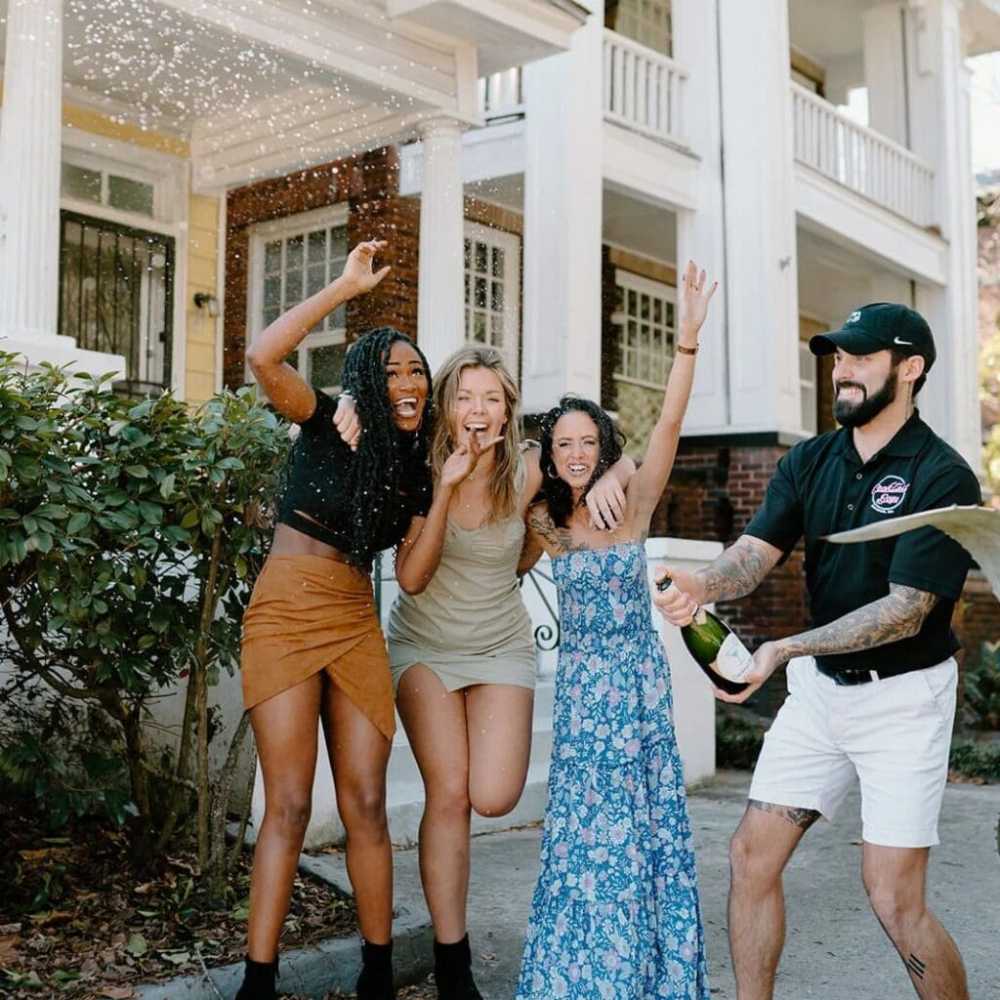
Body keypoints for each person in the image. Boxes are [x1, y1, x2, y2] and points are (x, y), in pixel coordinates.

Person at [654, 302, 982, 1000]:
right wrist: (702, 582)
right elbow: (753, 556)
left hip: (905, 699)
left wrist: (782, 649)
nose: (843, 369)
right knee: (750, 857)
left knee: (894, 898)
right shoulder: (810, 460)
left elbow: (906, 611)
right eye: (839, 356)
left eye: (862, 357)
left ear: (911, 368)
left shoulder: (943, 476)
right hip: (820, 695)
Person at [334, 345, 634, 999]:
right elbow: (411, 582)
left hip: (501, 643)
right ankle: (452, 961)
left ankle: (451, 950)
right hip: (427, 648)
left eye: (492, 398)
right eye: (465, 396)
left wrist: (617, 470)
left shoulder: (527, 469)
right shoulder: (421, 468)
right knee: (448, 795)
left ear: (508, 408)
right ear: (447, 404)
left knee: (493, 796)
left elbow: (601, 456)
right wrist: (446, 487)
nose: (478, 409)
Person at [238, 240, 461, 1000]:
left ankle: (375, 975)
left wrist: (448, 494)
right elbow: (265, 356)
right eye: (393, 369)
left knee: (365, 799)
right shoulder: (330, 420)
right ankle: (258, 983)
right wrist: (342, 286)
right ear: (369, 379)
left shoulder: (415, 468)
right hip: (288, 605)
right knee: (291, 804)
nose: (409, 380)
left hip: (357, 615)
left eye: (417, 370)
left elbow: (413, 576)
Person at [514, 261, 717, 1000]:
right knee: (581, 844)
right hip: (580, 702)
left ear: (601, 444)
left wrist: (687, 341)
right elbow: (501, 537)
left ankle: (642, 979)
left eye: (586, 443)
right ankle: (578, 980)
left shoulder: (630, 510)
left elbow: (665, 425)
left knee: (639, 839)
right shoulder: (544, 524)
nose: (574, 454)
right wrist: (578, 471)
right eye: (562, 444)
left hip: (634, 694)